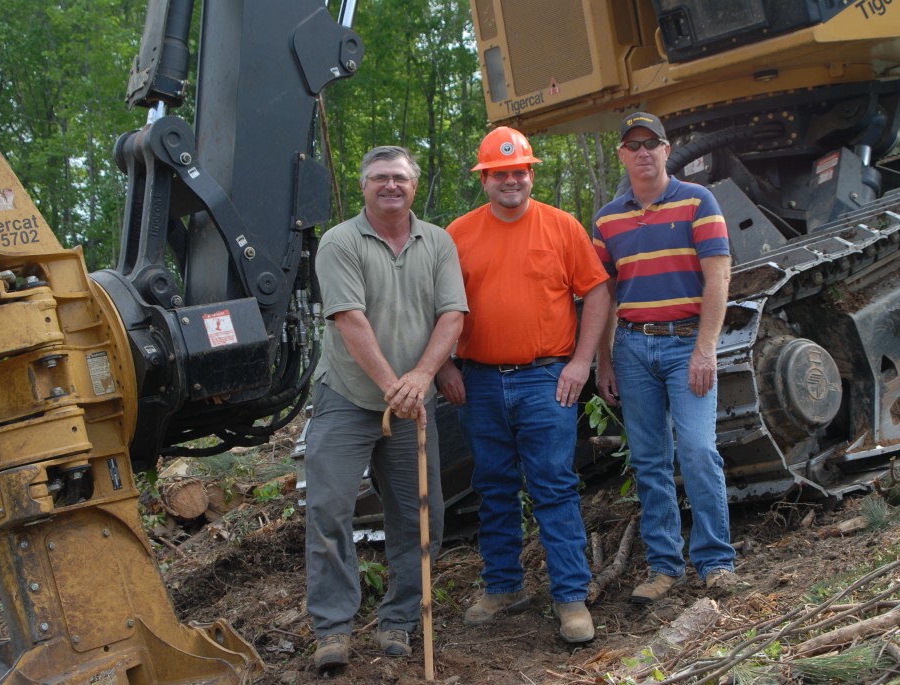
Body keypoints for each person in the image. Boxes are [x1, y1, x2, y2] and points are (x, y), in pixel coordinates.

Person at [436, 127, 610, 643]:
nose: (511, 180)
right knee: (493, 488)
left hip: (546, 379)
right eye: (500, 174)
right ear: (485, 179)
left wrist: (582, 363)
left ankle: (571, 599)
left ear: (530, 174)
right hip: (480, 382)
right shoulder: (456, 235)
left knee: (554, 485)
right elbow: (438, 307)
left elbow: (597, 294)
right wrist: (444, 365)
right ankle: (504, 585)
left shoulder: (562, 227)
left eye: (520, 172)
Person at [305, 146, 468, 671]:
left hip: (412, 402)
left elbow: (451, 317)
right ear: (364, 187)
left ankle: (398, 620)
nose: (390, 186)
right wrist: (393, 384)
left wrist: (420, 378)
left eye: (399, 177)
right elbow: (349, 319)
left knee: (421, 516)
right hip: (348, 398)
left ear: (413, 186)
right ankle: (333, 629)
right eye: (379, 178)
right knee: (329, 509)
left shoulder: (438, 242)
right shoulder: (340, 242)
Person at [593, 112, 737, 604]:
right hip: (632, 348)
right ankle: (663, 565)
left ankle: (716, 561)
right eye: (633, 145)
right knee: (650, 460)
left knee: (697, 450)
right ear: (622, 155)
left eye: (651, 143)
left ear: (666, 148)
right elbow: (604, 296)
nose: (643, 152)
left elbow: (718, 277)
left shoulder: (699, 201)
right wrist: (604, 360)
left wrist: (705, 349)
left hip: (685, 345)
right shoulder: (607, 219)